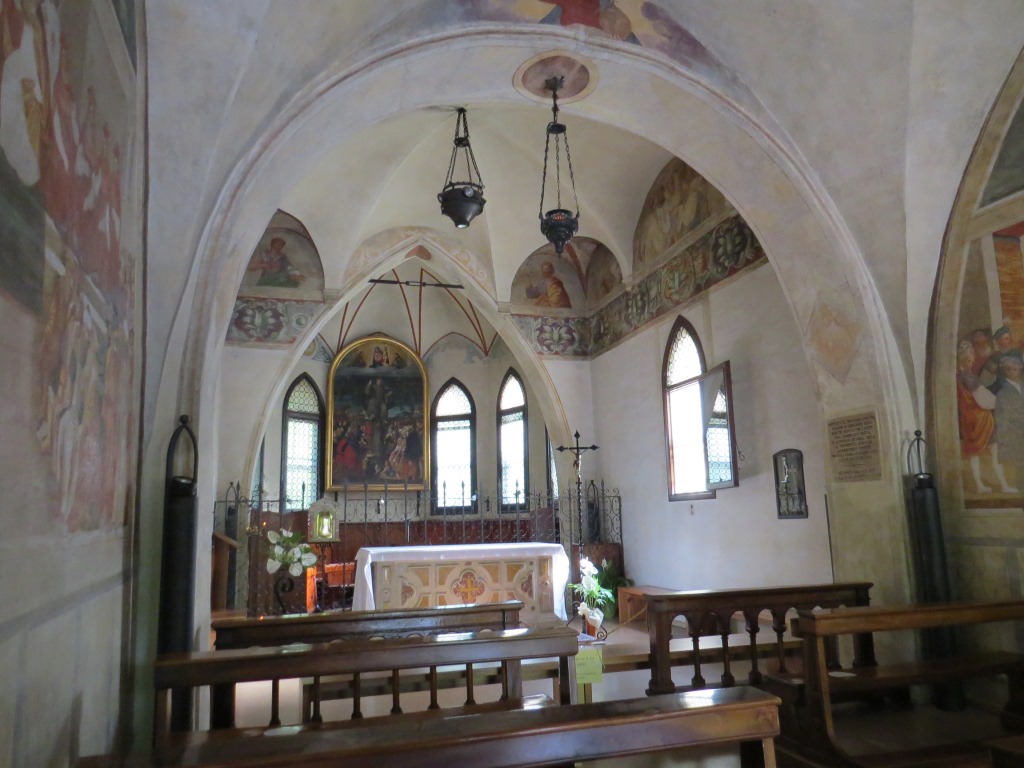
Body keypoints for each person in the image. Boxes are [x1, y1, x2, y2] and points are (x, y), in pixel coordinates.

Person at [993, 349, 1024, 494]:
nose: (1014, 372)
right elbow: (1003, 416)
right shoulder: (1003, 392)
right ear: (1006, 371)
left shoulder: (1022, 386)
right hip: (1015, 431)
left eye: (1016, 369)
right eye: (1011, 369)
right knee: (1020, 462)